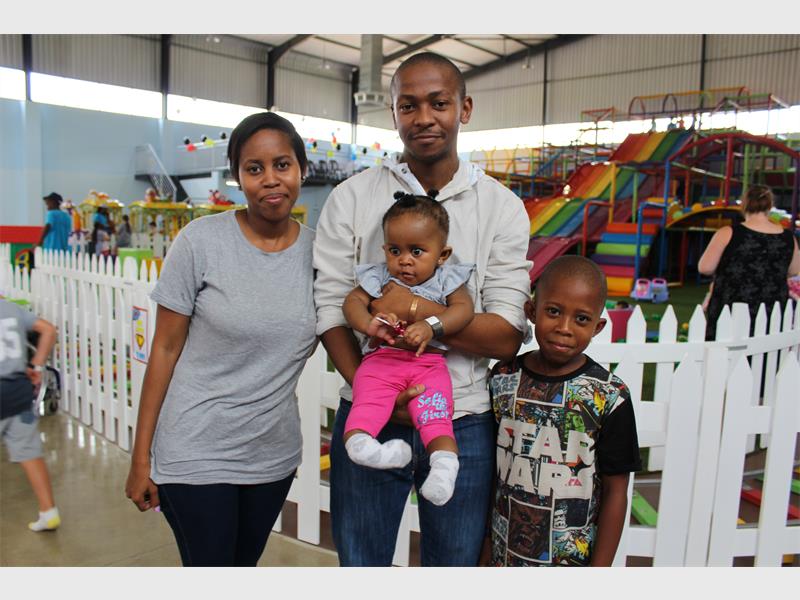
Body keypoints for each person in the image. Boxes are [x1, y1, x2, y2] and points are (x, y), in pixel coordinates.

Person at [313, 52, 532, 566]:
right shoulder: (352, 198)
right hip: (370, 413)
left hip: (463, 418)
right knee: (362, 565)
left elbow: (505, 334)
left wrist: (410, 306)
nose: (424, 118)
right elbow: (330, 310)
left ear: (465, 108)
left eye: (439, 103)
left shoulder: (500, 207)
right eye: (408, 105)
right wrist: (377, 394)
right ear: (392, 113)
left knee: (451, 569)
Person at [124, 112, 316, 567]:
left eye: (282, 165)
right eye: (254, 169)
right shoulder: (200, 242)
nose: (270, 180)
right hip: (195, 448)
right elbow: (165, 350)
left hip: (272, 455)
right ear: (237, 177)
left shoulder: (320, 251)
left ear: (301, 169)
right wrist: (140, 458)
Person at [486, 256, 641, 566]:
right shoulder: (502, 379)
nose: (564, 328)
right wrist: (486, 549)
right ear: (531, 311)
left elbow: (615, 491)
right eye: (553, 311)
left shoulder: (610, 396)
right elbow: (493, 471)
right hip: (504, 554)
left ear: (598, 326)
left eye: (581, 319)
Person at [342, 191, 475, 507]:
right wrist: (368, 324)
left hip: (427, 365)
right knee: (367, 402)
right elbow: (352, 303)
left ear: (442, 255)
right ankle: (363, 445)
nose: (405, 260)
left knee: (435, 416)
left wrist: (431, 326)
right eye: (395, 250)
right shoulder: (378, 276)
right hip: (381, 361)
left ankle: (444, 465)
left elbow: (464, 311)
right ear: (385, 249)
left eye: (417, 251)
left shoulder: (448, 280)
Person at [699, 185, 800, 340]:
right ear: (770, 206)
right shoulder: (788, 237)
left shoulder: (727, 233)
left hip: (731, 302)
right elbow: (794, 271)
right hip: (772, 306)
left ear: (744, 204)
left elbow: (705, 268)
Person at [0, 298, 61, 532]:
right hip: (17, 391)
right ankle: (49, 511)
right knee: (29, 452)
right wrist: (36, 365)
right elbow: (48, 330)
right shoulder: (11, 308)